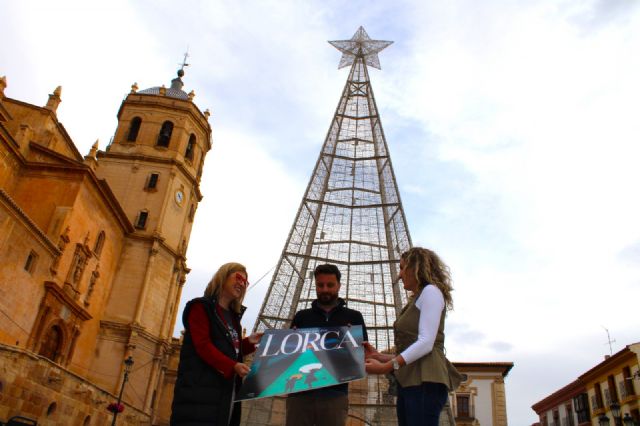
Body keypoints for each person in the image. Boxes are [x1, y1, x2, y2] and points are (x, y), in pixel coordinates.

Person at [364, 247, 462, 426]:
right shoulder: (417, 298)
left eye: (402, 268)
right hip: (412, 381)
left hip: (425, 381)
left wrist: (386, 366)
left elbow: (426, 343)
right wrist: (378, 356)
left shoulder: (431, 292)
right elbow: (414, 351)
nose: (399, 274)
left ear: (416, 268)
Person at [170, 262, 262, 426]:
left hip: (224, 396)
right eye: (238, 277)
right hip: (199, 395)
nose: (241, 283)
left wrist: (250, 342)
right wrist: (232, 366)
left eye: (245, 282)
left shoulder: (233, 317)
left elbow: (229, 349)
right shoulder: (200, 307)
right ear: (223, 276)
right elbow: (203, 346)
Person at [285, 264, 369, 426]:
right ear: (315, 285)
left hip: (335, 396)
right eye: (320, 285)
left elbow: (363, 354)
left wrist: (353, 342)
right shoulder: (301, 317)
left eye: (330, 285)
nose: (325, 289)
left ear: (339, 285)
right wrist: (291, 341)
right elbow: (289, 355)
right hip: (300, 396)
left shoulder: (354, 317)